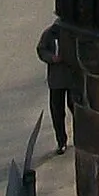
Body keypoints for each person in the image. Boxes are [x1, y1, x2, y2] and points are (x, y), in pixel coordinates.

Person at [36, 21, 71, 153]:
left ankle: (80, 138)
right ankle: (61, 141)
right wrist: (52, 58)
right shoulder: (50, 33)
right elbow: (41, 49)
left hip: (72, 78)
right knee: (57, 112)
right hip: (56, 80)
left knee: (76, 109)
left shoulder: (72, 32)